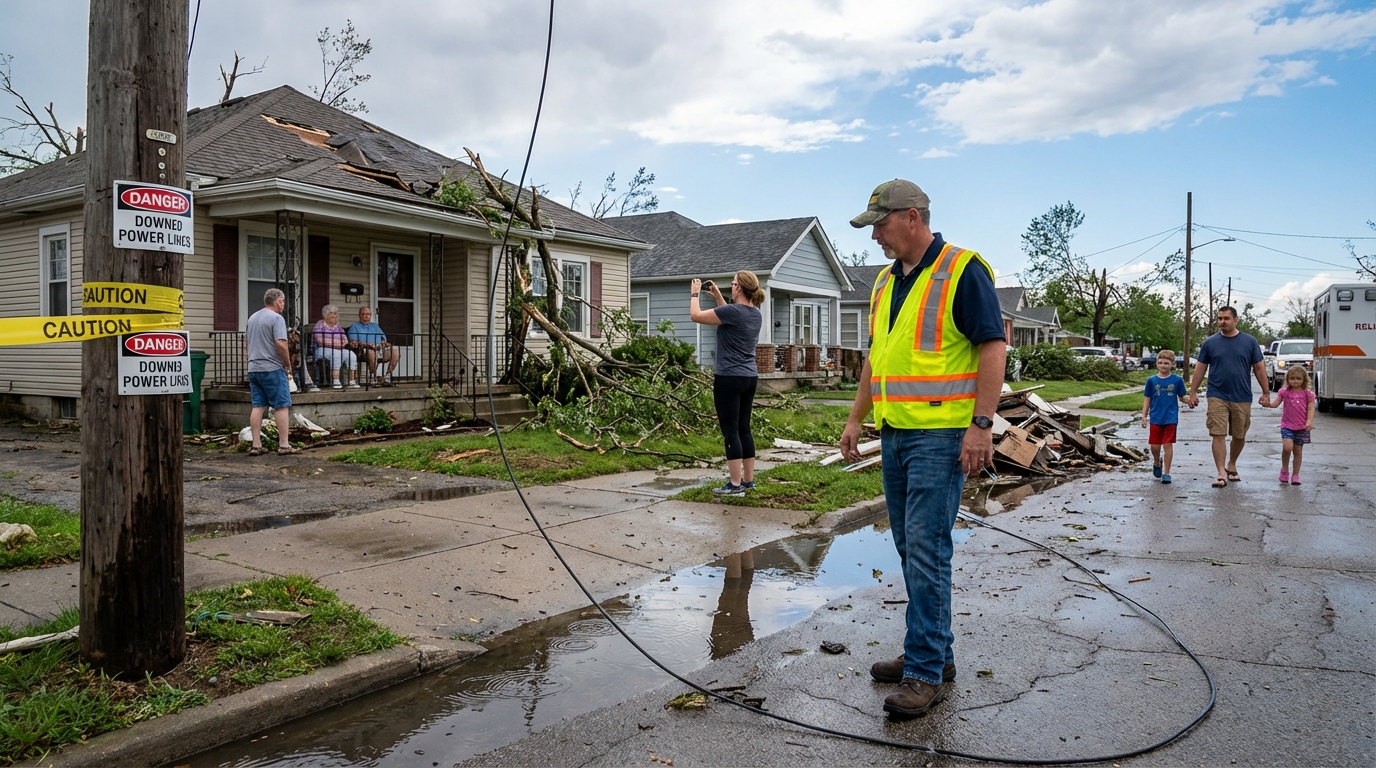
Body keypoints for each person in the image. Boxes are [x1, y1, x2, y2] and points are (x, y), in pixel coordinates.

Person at [839, 179, 1006, 719]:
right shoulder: (886, 283)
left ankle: (925, 672)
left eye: (881, 226)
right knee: (912, 548)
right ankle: (936, 652)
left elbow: (992, 347)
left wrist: (981, 425)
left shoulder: (962, 270)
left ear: (912, 217)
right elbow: (876, 356)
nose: (876, 238)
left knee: (928, 550)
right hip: (894, 430)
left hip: (940, 436)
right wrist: (855, 417)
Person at [690, 271, 765, 496]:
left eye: (733, 284)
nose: (731, 287)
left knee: (730, 430)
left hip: (728, 378)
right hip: (749, 377)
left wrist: (695, 293)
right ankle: (748, 481)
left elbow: (696, 316)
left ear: (739, 288)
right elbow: (727, 315)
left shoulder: (733, 312)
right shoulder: (755, 314)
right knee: (744, 428)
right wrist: (717, 296)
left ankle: (734, 485)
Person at [1188, 306, 1271, 488]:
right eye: (1219, 319)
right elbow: (1200, 368)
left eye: (1226, 318)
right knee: (1218, 433)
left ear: (1236, 320)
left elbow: (1259, 367)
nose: (1222, 322)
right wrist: (1192, 392)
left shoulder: (1249, 342)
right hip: (1217, 394)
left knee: (1239, 435)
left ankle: (1231, 464)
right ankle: (1220, 472)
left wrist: (1266, 392)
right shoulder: (1210, 343)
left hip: (1241, 395)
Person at [245, 288, 299, 455]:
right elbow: (281, 343)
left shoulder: (252, 318)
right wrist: (288, 364)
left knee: (258, 405)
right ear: (278, 301)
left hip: (254, 367)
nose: (283, 305)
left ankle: (256, 445)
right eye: (282, 301)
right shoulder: (277, 318)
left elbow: (246, 342)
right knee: (281, 405)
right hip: (272, 367)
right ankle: (284, 445)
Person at [1140, 349, 1188, 484]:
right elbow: (1147, 398)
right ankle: (1156, 462)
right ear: (1156, 364)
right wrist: (1144, 415)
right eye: (1160, 363)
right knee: (1155, 446)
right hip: (1155, 417)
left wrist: (1190, 400)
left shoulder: (1177, 380)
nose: (1163, 366)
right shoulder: (1151, 381)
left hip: (1170, 417)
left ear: (1173, 364)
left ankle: (1167, 473)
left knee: (1168, 444)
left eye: (1166, 363)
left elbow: (1182, 396)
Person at [1272, 365, 1315, 485]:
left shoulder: (1308, 394)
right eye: (1292, 378)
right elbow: (1275, 404)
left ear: (1304, 380)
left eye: (1298, 378)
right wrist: (1268, 404)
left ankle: (1295, 475)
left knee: (1298, 451)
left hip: (1302, 427)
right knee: (1287, 447)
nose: (1295, 381)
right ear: (1287, 379)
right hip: (1287, 425)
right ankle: (1284, 470)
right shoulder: (1284, 392)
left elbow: (1311, 409)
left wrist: (1309, 421)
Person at [347, 306, 399, 386]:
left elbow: (383, 338)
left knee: (395, 352)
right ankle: (373, 377)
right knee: (371, 353)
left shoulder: (375, 326)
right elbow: (354, 342)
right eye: (364, 314)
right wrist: (368, 344)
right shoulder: (354, 327)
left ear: (371, 315)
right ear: (359, 315)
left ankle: (387, 376)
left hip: (380, 349)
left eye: (368, 314)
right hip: (363, 351)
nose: (366, 316)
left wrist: (384, 342)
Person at [313, 304, 359, 390]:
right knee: (337, 354)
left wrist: (339, 344)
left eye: (335, 313)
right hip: (321, 349)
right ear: (326, 315)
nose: (334, 315)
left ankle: (352, 381)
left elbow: (344, 340)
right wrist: (336, 344)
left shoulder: (337, 326)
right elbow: (319, 340)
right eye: (332, 313)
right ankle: (336, 380)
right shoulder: (320, 324)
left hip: (337, 349)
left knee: (351, 354)